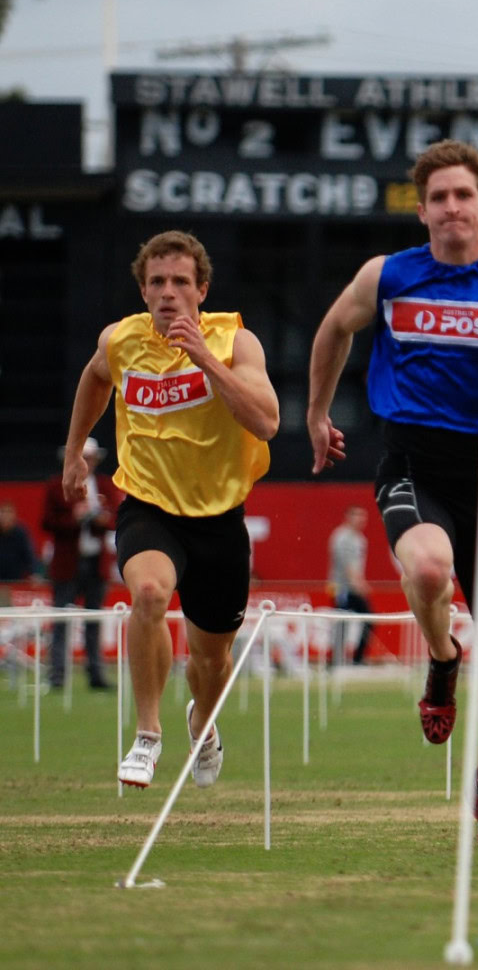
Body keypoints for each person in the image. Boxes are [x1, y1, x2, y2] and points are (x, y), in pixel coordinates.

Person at [306, 138, 478, 847]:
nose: (452, 208)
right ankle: (440, 656)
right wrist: (315, 413)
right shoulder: (389, 275)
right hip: (413, 464)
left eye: (464, 196)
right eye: (439, 199)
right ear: (423, 213)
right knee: (426, 569)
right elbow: (334, 328)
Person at [62, 230, 278, 790]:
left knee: (210, 664)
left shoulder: (236, 341)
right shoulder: (120, 340)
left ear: (201, 289)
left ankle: (202, 724)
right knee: (150, 594)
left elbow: (267, 422)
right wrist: (74, 454)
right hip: (149, 507)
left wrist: (204, 357)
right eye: (157, 282)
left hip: (220, 519)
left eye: (181, 281)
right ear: (142, 289)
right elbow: (94, 378)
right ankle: (147, 734)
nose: (168, 293)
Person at [42, 436, 120, 689]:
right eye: (82, 457)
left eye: (90, 458)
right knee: (62, 619)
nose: (87, 462)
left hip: (95, 562)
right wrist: (75, 519)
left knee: (94, 620)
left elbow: (117, 520)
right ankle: (57, 675)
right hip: (67, 562)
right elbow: (47, 522)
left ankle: (95, 675)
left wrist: (100, 521)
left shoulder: (106, 486)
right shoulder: (57, 486)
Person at [327, 505, 374, 666]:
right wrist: (359, 584)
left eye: (363, 517)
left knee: (366, 619)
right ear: (348, 517)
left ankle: (356, 658)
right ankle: (338, 660)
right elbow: (347, 565)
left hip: (353, 587)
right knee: (343, 622)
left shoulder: (360, 539)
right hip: (343, 588)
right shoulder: (342, 537)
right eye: (357, 516)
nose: (361, 520)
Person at [0, 499, 42, 606]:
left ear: (14, 515)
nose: (6, 516)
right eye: (3, 512)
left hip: (16, 582)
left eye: (9, 512)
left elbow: (29, 554)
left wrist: (34, 573)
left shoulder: (21, 533)